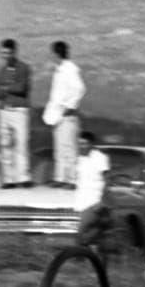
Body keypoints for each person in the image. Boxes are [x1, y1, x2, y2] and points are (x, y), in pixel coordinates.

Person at [43, 40, 86, 187]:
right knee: (60, 147)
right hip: (57, 115)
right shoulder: (59, 69)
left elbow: (79, 89)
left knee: (69, 148)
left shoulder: (70, 69)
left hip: (67, 114)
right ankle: (60, 178)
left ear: (56, 53)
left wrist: (70, 106)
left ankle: (72, 179)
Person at [0, 38, 32, 188]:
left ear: (14, 52)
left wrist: (6, 88)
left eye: (8, 53)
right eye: (3, 53)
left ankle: (23, 177)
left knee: (21, 144)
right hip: (4, 110)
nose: (5, 56)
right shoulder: (1, 71)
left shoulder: (23, 68)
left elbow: (22, 88)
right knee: (5, 145)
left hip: (19, 110)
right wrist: (10, 87)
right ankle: (8, 179)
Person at [74, 130, 111, 254]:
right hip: (81, 201)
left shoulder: (100, 158)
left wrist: (102, 201)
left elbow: (107, 180)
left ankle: (78, 257)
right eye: (79, 143)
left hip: (94, 201)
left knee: (81, 232)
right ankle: (94, 256)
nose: (81, 146)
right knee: (91, 234)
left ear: (91, 144)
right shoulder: (79, 159)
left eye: (84, 143)